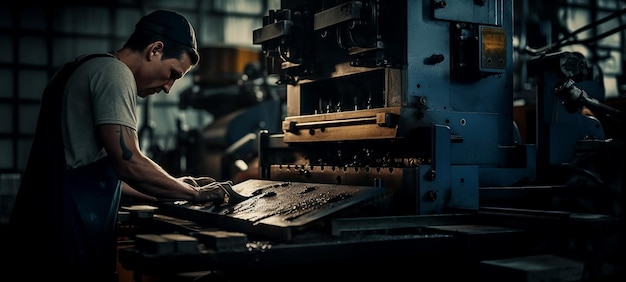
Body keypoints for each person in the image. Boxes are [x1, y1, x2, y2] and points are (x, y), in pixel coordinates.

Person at [5, 10, 228, 281]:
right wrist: (195, 195)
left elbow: (106, 179)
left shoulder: (79, 67)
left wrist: (178, 186)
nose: (169, 87)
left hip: (39, 237)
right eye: (172, 74)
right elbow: (129, 163)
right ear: (155, 49)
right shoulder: (115, 73)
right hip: (65, 245)